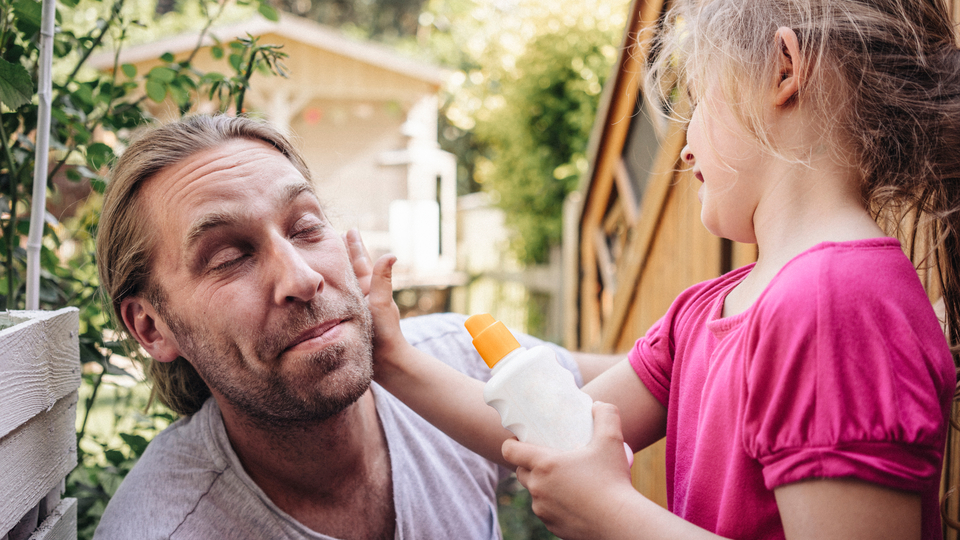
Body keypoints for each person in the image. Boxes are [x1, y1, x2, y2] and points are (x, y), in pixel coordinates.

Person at [363, 0, 960, 538]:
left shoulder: (839, 302)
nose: (685, 147)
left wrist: (610, 514)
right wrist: (393, 358)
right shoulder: (709, 309)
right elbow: (555, 429)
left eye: (699, 98)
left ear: (783, 69)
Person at [92, 114, 617, 539]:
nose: (301, 278)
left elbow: (665, 377)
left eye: (305, 226)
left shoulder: (450, 361)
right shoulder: (160, 528)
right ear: (151, 327)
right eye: (229, 257)